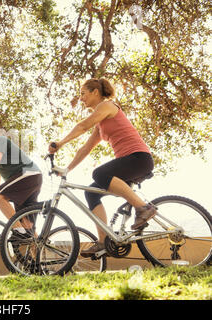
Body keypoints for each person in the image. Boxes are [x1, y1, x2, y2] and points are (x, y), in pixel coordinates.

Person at [48, 78, 156, 257]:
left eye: (83, 93)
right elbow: (86, 149)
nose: (81, 98)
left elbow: (82, 126)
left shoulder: (107, 106)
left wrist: (60, 143)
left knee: (99, 173)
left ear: (95, 92)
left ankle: (144, 208)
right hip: (130, 162)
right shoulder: (101, 123)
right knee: (91, 192)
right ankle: (103, 242)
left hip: (139, 159)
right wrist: (67, 169)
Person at [0, 123, 42, 233]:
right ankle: (36, 245)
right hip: (29, 181)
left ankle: (18, 232)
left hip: (27, 175)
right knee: (28, 229)